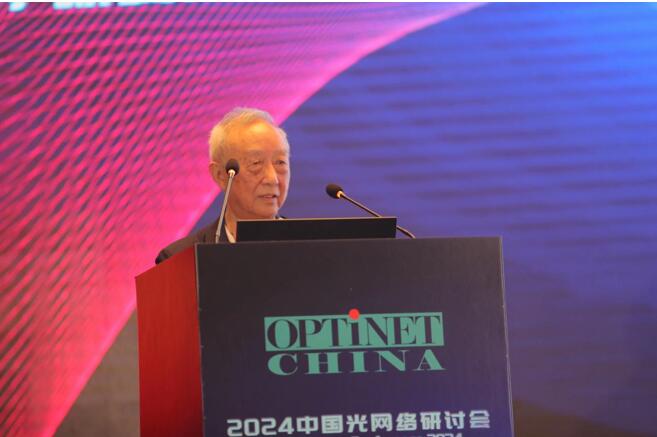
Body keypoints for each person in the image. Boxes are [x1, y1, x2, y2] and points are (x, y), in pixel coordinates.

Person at [155, 107, 291, 264]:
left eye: (280, 162)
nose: (272, 178)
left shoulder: (313, 248)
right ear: (220, 175)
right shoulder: (179, 261)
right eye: (256, 163)